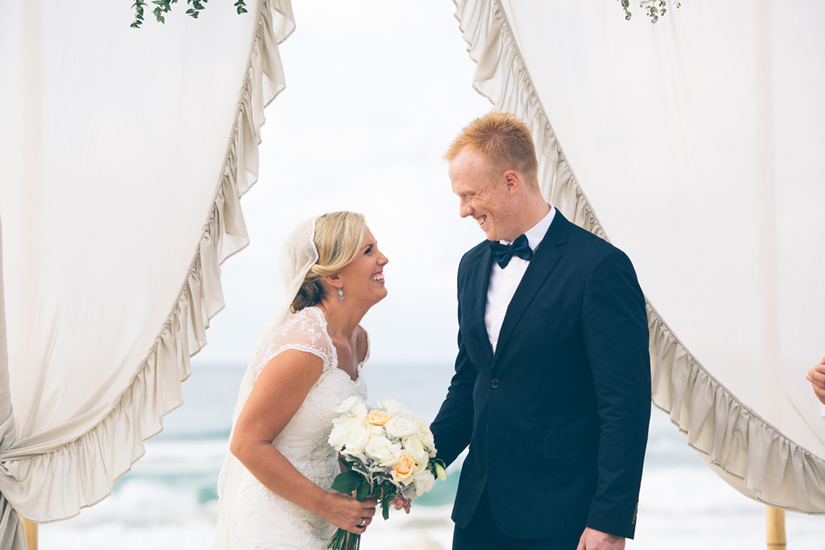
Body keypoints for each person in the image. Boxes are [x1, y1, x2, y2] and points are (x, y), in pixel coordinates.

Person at [430, 113, 651, 550]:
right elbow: (470, 383)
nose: (463, 210)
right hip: (477, 513)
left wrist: (610, 521)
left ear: (511, 182)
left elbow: (624, 404)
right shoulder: (470, 267)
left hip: (564, 517)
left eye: (471, 195)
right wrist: (419, 465)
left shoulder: (600, 268)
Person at [212, 211, 389, 550]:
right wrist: (325, 503)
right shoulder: (307, 344)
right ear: (335, 275)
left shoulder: (358, 340)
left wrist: (380, 480)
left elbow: (332, 434)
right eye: (368, 251)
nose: (383, 258)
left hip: (323, 521)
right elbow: (246, 444)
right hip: (277, 525)